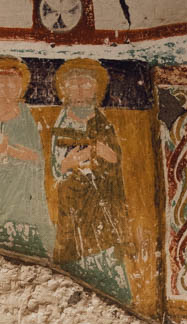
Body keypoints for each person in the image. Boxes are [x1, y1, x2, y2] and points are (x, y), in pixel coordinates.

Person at [49, 57, 132, 303]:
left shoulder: (102, 122)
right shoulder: (62, 121)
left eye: (85, 84)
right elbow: (57, 166)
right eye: (73, 84)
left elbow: (114, 158)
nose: (79, 90)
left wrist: (96, 149)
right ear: (64, 90)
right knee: (75, 249)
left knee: (106, 246)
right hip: (73, 200)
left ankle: (114, 298)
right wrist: (72, 162)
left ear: (96, 89)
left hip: (103, 199)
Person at [0, 57, 54, 260]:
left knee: (27, 235)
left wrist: (10, 150)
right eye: (0, 83)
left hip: (26, 186)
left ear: (20, 87)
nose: (6, 88)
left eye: (12, 83)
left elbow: (37, 156)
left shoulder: (26, 115)